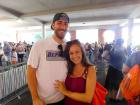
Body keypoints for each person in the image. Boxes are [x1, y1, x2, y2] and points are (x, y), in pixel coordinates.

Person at [27, 12, 70, 105]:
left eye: (65, 23)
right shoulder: (39, 45)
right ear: (53, 25)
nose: (63, 26)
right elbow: (30, 72)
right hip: (42, 101)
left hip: (63, 97)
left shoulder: (68, 47)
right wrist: (35, 98)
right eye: (59, 22)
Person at [55, 40, 96, 105]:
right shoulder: (68, 68)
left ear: (82, 52)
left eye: (77, 52)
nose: (74, 56)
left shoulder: (90, 69)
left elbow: (88, 98)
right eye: (71, 53)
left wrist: (65, 92)